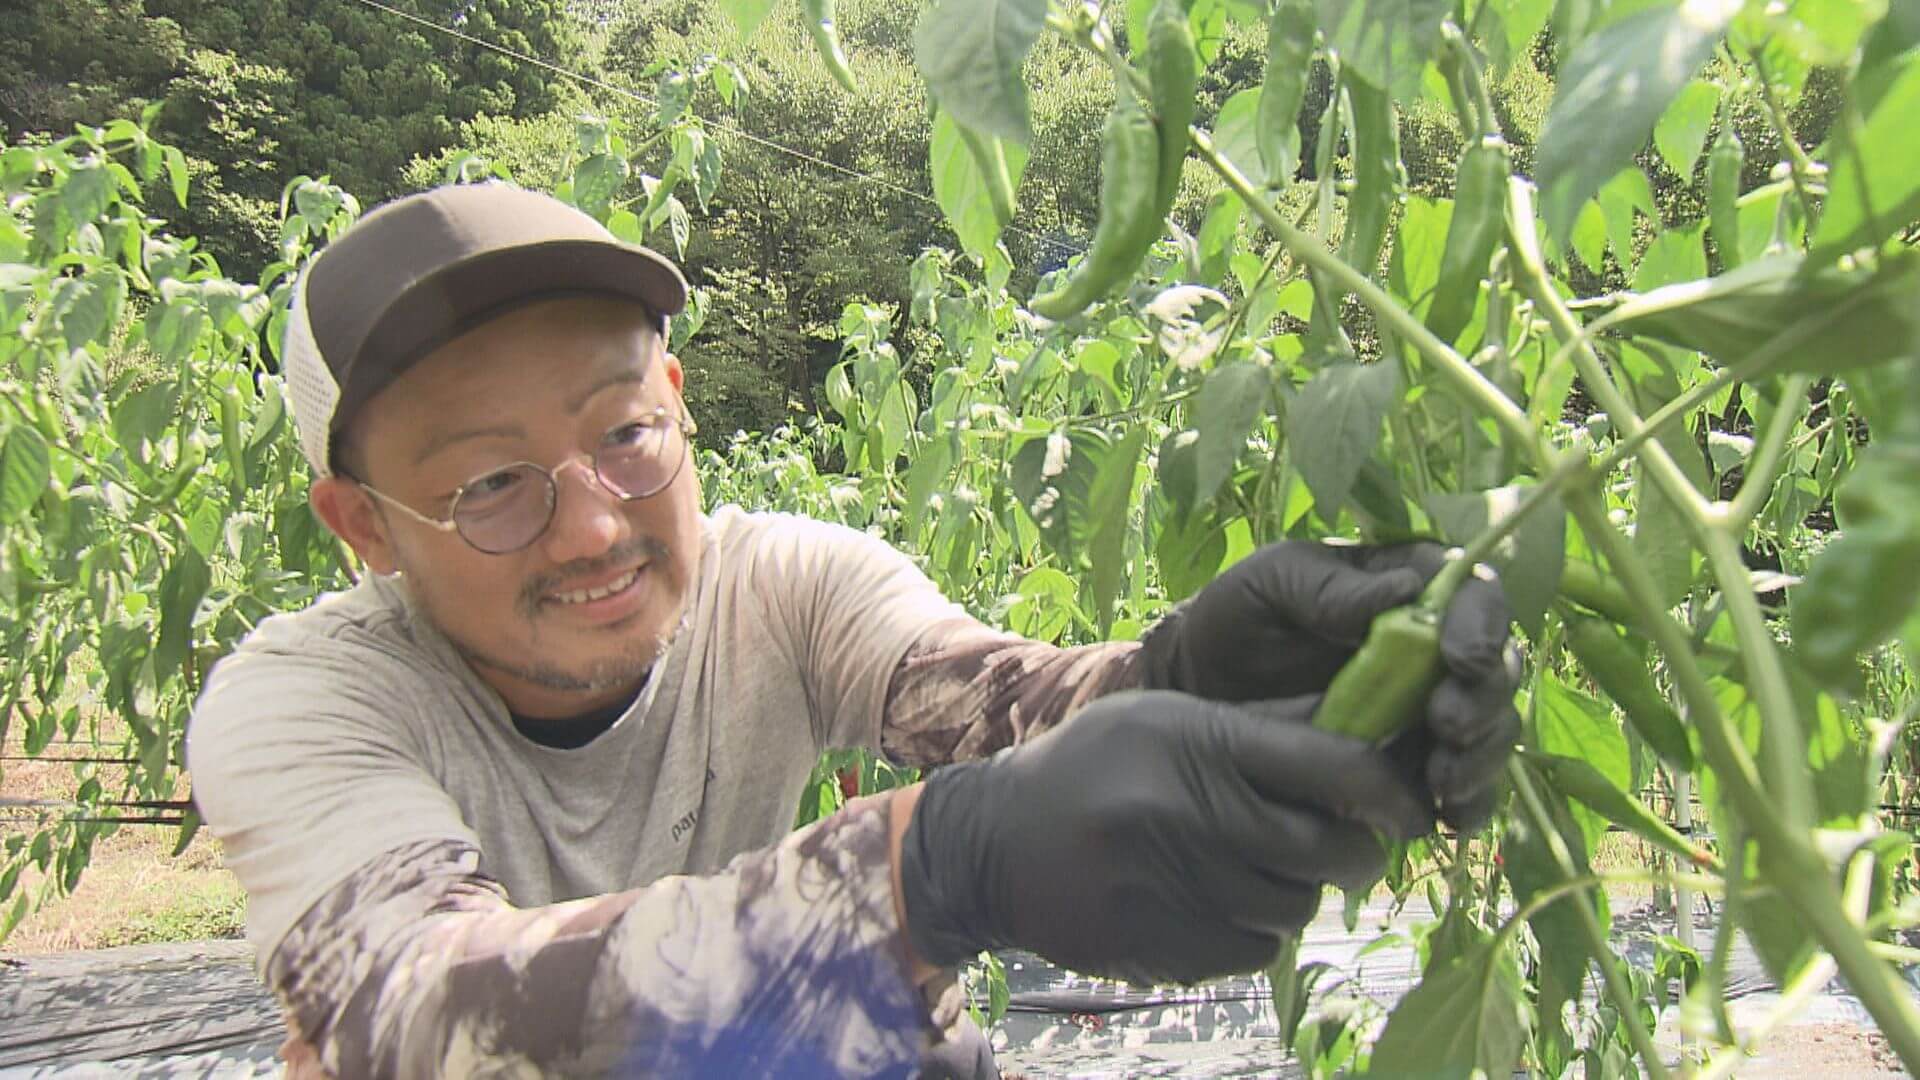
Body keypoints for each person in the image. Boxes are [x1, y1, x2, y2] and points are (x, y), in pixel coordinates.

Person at [186, 182, 1520, 1079]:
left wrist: (1186, 680)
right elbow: (414, 1008)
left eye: (625, 434)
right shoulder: (305, 705)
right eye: (488, 484)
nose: (592, 527)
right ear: (359, 524)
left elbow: (989, 700)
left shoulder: (782, 588)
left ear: (681, 402)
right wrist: (917, 875)